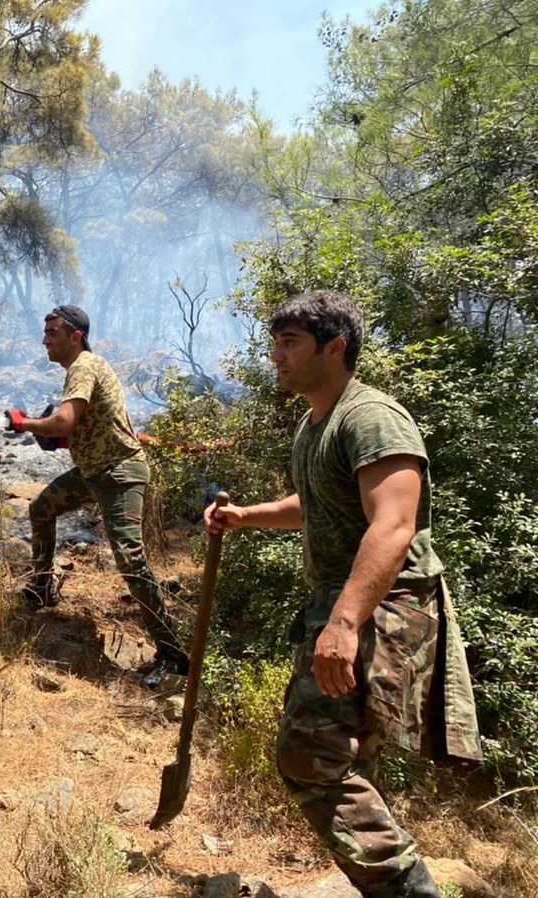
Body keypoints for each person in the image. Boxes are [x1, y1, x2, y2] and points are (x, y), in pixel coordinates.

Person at [204, 291, 481, 898]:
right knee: (350, 759)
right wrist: (247, 515)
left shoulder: (372, 417)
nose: (276, 355)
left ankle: (412, 892)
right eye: (275, 342)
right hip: (349, 606)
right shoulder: (314, 423)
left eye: (290, 343)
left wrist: (344, 622)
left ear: (336, 348)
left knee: (309, 758)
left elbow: (392, 523)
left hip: (383, 608)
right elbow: (318, 503)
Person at [6, 305, 189, 687]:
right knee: (42, 509)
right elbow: (79, 429)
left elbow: (66, 419)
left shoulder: (83, 367)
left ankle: (174, 653)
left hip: (119, 474)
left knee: (129, 557)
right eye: (45, 332)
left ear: (76, 336)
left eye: (53, 332)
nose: (45, 340)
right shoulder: (85, 368)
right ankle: (41, 588)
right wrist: (53, 439)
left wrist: (26, 424)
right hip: (95, 473)